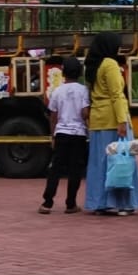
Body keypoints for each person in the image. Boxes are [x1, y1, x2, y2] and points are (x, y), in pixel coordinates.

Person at [83, 33, 137, 215]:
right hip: (113, 119)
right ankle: (123, 203)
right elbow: (117, 94)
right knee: (120, 161)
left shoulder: (92, 65)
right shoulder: (110, 64)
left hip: (98, 121)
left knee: (100, 163)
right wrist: (122, 121)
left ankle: (100, 202)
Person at [41, 56, 89, 215]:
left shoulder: (57, 91)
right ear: (80, 72)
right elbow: (84, 113)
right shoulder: (83, 90)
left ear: (63, 72)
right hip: (78, 134)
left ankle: (47, 202)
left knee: (55, 168)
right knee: (75, 169)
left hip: (61, 132)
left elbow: (53, 116)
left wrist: (53, 135)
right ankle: (70, 203)